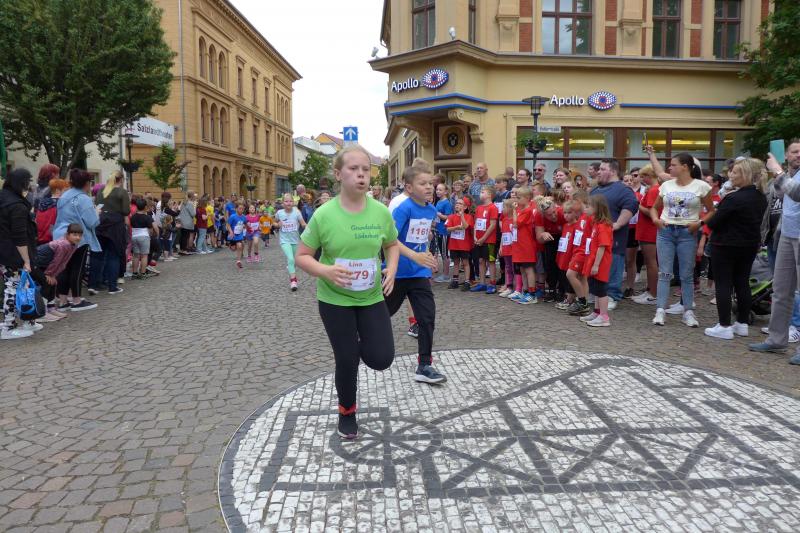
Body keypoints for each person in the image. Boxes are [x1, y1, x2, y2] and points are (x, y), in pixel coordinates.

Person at [294, 145, 416, 439]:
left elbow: (391, 244)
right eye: (353, 169)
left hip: (371, 296)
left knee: (382, 358)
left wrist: (392, 268)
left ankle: (356, 342)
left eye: (365, 170)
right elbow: (302, 256)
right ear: (338, 174)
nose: (361, 175)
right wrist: (325, 271)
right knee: (346, 359)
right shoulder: (324, 215)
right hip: (335, 300)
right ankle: (347, 412)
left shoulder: (380, 212)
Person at [386, 163, 446, 384]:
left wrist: (428, 255)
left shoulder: (431, 210)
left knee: (427, 317)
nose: (429, 187)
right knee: (383, 313)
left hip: (419, 273)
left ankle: (424, 365)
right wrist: (414, 256)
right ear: (409, 188)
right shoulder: (404, 208)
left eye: (431, 183)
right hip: (398, 272)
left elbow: (420, 239)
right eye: (423, 183)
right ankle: (360, 335)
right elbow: (390, 239)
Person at [703, 158, 767, 340]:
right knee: (742, 282)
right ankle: (742, 323)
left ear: (745, 175)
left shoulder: (733, 198)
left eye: (735, 172)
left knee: (723, 284)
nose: (731, 175)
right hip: (749, 245)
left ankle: (724, 325)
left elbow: (714, 222)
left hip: (725, 244)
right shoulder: (760, 196)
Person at [649, 151, 715, 328]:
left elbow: (711, 211)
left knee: (686, 274)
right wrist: (655, 219)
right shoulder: (666, 185)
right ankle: (660, 310)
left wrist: (699, 223)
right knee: (665, 272)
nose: (670, 167)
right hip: (666, 231)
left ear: (685, 167)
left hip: (687, 232)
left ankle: (688, 311)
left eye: (673, 165)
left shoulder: (701, 186)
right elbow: (654, 208)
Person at [750, 140, 800, 364]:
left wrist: (778, 172)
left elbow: (797, 194)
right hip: (786, 235)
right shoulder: (789, 175)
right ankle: (777, 339)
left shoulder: (787, 176)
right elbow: (779, 194)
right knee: (780, 290)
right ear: (787, 155)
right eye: (795, 152)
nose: (799, 155)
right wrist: (780, 173)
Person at [589, 159, 639, 310]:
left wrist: (618, 224)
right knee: (596, 266)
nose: (598, 172)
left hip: (614, 239)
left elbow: (631, 206)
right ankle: (597, 293)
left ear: (612, 171)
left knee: (614, 265)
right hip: (595, 238)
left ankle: (612, 295)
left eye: (602, 169)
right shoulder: (596, 190)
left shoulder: (623, 190)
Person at [0, 169, 44, 339]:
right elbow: (19, 236)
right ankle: (8, 325)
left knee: (23, 285)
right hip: (13, 253)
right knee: (13, 288)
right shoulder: (16, 205)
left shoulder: (5, 197)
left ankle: (29, 320)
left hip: (5, 250)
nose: (29, 184)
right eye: (27, 181)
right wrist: (26, 260)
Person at [52, 169, 99, 310]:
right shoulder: (84, 199)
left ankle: (63, 301)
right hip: (78, 237)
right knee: (77, 269)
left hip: (61, 235)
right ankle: (77, 301)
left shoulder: (64, 196)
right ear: (86, 183)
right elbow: (92, 222)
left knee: (64, 268)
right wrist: (97, 213)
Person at [92, 171, 130, 295]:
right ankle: (112, 287)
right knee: (113, 256)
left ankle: (94, 284)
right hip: (115, 225)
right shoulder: (122, 192)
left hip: (100, 223)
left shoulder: (100, 191)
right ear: (121, 179)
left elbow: (97, 206)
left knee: (98, 256)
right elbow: (126, 211)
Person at [35, 223, 83, 321]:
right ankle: (42, 312)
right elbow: (56, 261)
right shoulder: (64, 244)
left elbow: (63, 263)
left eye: (80, 235)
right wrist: (49, 274)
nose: (78, 237)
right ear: (67, 234)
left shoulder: (73, 245)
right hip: (36, 263)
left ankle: (51, 308)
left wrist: (54, 275)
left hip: (45, 265)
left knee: (53, 283)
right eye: (74, 234)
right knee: (46, 283)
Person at [579, 195, 614, 327]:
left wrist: (596, 265)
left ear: (597, 208)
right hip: (595, 261)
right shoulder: (596, 223)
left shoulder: (603, 226)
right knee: (596, 289)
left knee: (601, 290)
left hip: (601, 262)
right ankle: (597, 312)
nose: (586, 209)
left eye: (588, 206)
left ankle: (604, 317)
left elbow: (602, 246)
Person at [632, 165, 660, 305]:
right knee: (649, 263)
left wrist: (637, 204)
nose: (642, 179)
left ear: (650, 176)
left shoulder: (654, 190)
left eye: (643, 176)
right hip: (647, 231)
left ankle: (653, 293)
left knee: (651, 263)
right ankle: (650, 290)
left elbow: (651, 212)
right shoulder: (653, 189)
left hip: (649, 231)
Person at [510, 187, 538, 304]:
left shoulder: (527, 210)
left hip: (526, 245)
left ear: (527, 198)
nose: (516, 199)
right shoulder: (521, 210)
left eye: (519, 197)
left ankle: (532, 293)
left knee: (528, 269)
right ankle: (525, 291)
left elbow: (516, 224)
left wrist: (514, 210)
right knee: (522, 269)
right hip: (519, 244)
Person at [471, 185, 498, 294]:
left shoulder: (493, 207)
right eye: (481, 192)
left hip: (489, 240)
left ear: (489, 195)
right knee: (481, 261)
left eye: (483, 192)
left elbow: (493, 225)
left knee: (490, 261)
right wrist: (475, 236)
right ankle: (482, 283)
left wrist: (483, 238)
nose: (480, 194)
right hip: (478, 240)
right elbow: (476, 223)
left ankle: (492, 283)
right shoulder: (479, 208)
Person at [276, 193, 306, 290]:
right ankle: (293, 281)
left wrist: (310, 229)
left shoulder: (297, 212)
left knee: (294, 261)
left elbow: (303, 224)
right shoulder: (279, 213)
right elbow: (274, 222)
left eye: (290, 201)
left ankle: (291, 266)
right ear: (282, 203)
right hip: (284, 240)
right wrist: (277, 224)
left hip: (295, 241)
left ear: (293, 202)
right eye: (286, 201)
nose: (288, 203)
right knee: (291, 259)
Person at [446, 197, 473, 290]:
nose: (457, 205)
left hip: (464, 245)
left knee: (465, 262)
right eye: (457, 203)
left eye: (460, 203)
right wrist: (456, 227)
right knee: (456, 262)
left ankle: (467, 281)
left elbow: (465, 226)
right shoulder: (451, 216)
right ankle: (455, 280)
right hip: (454, 244)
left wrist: (461, 216)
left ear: (465, 207)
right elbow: (448, 229)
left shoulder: (468, 217)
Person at [36, 178, 68, 244]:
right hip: (52, 239)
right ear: (57, 191)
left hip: (39, 237)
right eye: (65, 190)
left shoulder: (42, 202)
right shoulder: (60, 204)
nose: (67, 193)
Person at [130, 197, 156, 280]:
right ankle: (143, 273)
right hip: (144, 236)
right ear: (145, 207)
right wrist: (150, 235)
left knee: (135, 256)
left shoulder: (133, 217)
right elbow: (151, 230)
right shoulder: (147, 217)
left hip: (134, 236)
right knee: (144, 256)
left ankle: (134, 273)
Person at [433, 182, 452, 283]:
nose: (438, 191)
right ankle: (444, 274)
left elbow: (449, 217)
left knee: (444, 254)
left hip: (444, 231)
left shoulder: (447, 203)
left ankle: (446, 275)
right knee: (441, 252)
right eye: (437, 189)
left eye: (440, 190)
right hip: (438, 230)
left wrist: (439, 215)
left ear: (445, 192)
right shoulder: (439, 202)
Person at [227, 203, 247, 268]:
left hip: (239, 235)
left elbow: (245, 223)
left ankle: (238, 261)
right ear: (236, 209)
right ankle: (230, 245)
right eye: (240, 208)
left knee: (240, 245)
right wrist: (231, 232)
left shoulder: (244, 217)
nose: (241, 210)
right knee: (233, 249)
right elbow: (228, 225)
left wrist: (246, 227)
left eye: (242, 209)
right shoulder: (232, 216)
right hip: (233, 235)